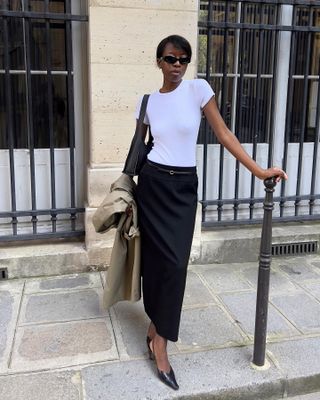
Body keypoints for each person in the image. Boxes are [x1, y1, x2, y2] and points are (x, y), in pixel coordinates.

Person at [134, 34, 287, 391]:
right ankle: (159, 340)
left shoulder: (198, 90)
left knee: (176, 264)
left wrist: (259, 170)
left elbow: (224, 134)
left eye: (183, 59)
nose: (177, 65)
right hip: (153, 186)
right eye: (170, 59)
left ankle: (159, 331)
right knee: (156, 263)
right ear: (158, 61)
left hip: (183, 189)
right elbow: (139, 150)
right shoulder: (147, 103)